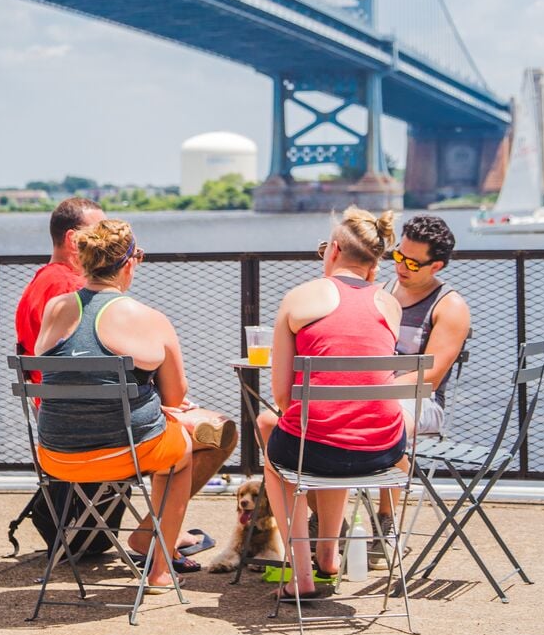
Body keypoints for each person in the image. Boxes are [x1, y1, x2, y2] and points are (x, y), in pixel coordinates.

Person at [34, 218, 236, 586]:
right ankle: (158, 567)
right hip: (123, 451)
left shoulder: (55, 309)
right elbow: (175, 397)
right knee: (193, 445)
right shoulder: (149, 318)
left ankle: (152, 540)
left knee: (171, 435)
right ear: (129, 263)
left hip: (55, 455)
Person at [263, 206, 406, 601]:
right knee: (335, 427)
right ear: (373, 262)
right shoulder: (390, 304)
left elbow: (281, 395)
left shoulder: (299, 298)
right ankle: (329, 555)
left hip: (320, 449)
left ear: (335, 250)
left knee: (279, 455)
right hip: (383, 453)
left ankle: (302, 573)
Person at [373, 213, 471, 561]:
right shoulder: (381, 291)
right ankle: (322, 521)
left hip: (421, 404)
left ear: (437, 266)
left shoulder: (449, 306)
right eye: (398, 255)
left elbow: (429, 377)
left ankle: (385, 519)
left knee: (391, 416)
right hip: (372, 391)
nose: (401, 266)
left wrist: (375, 391)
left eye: (413, 262)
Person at [15, 197, 105, 382]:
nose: (106, 243)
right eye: (98, 235)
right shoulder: (71, 288)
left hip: (49, 402)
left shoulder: (37, 284)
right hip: (73, 403)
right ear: (73, 239)